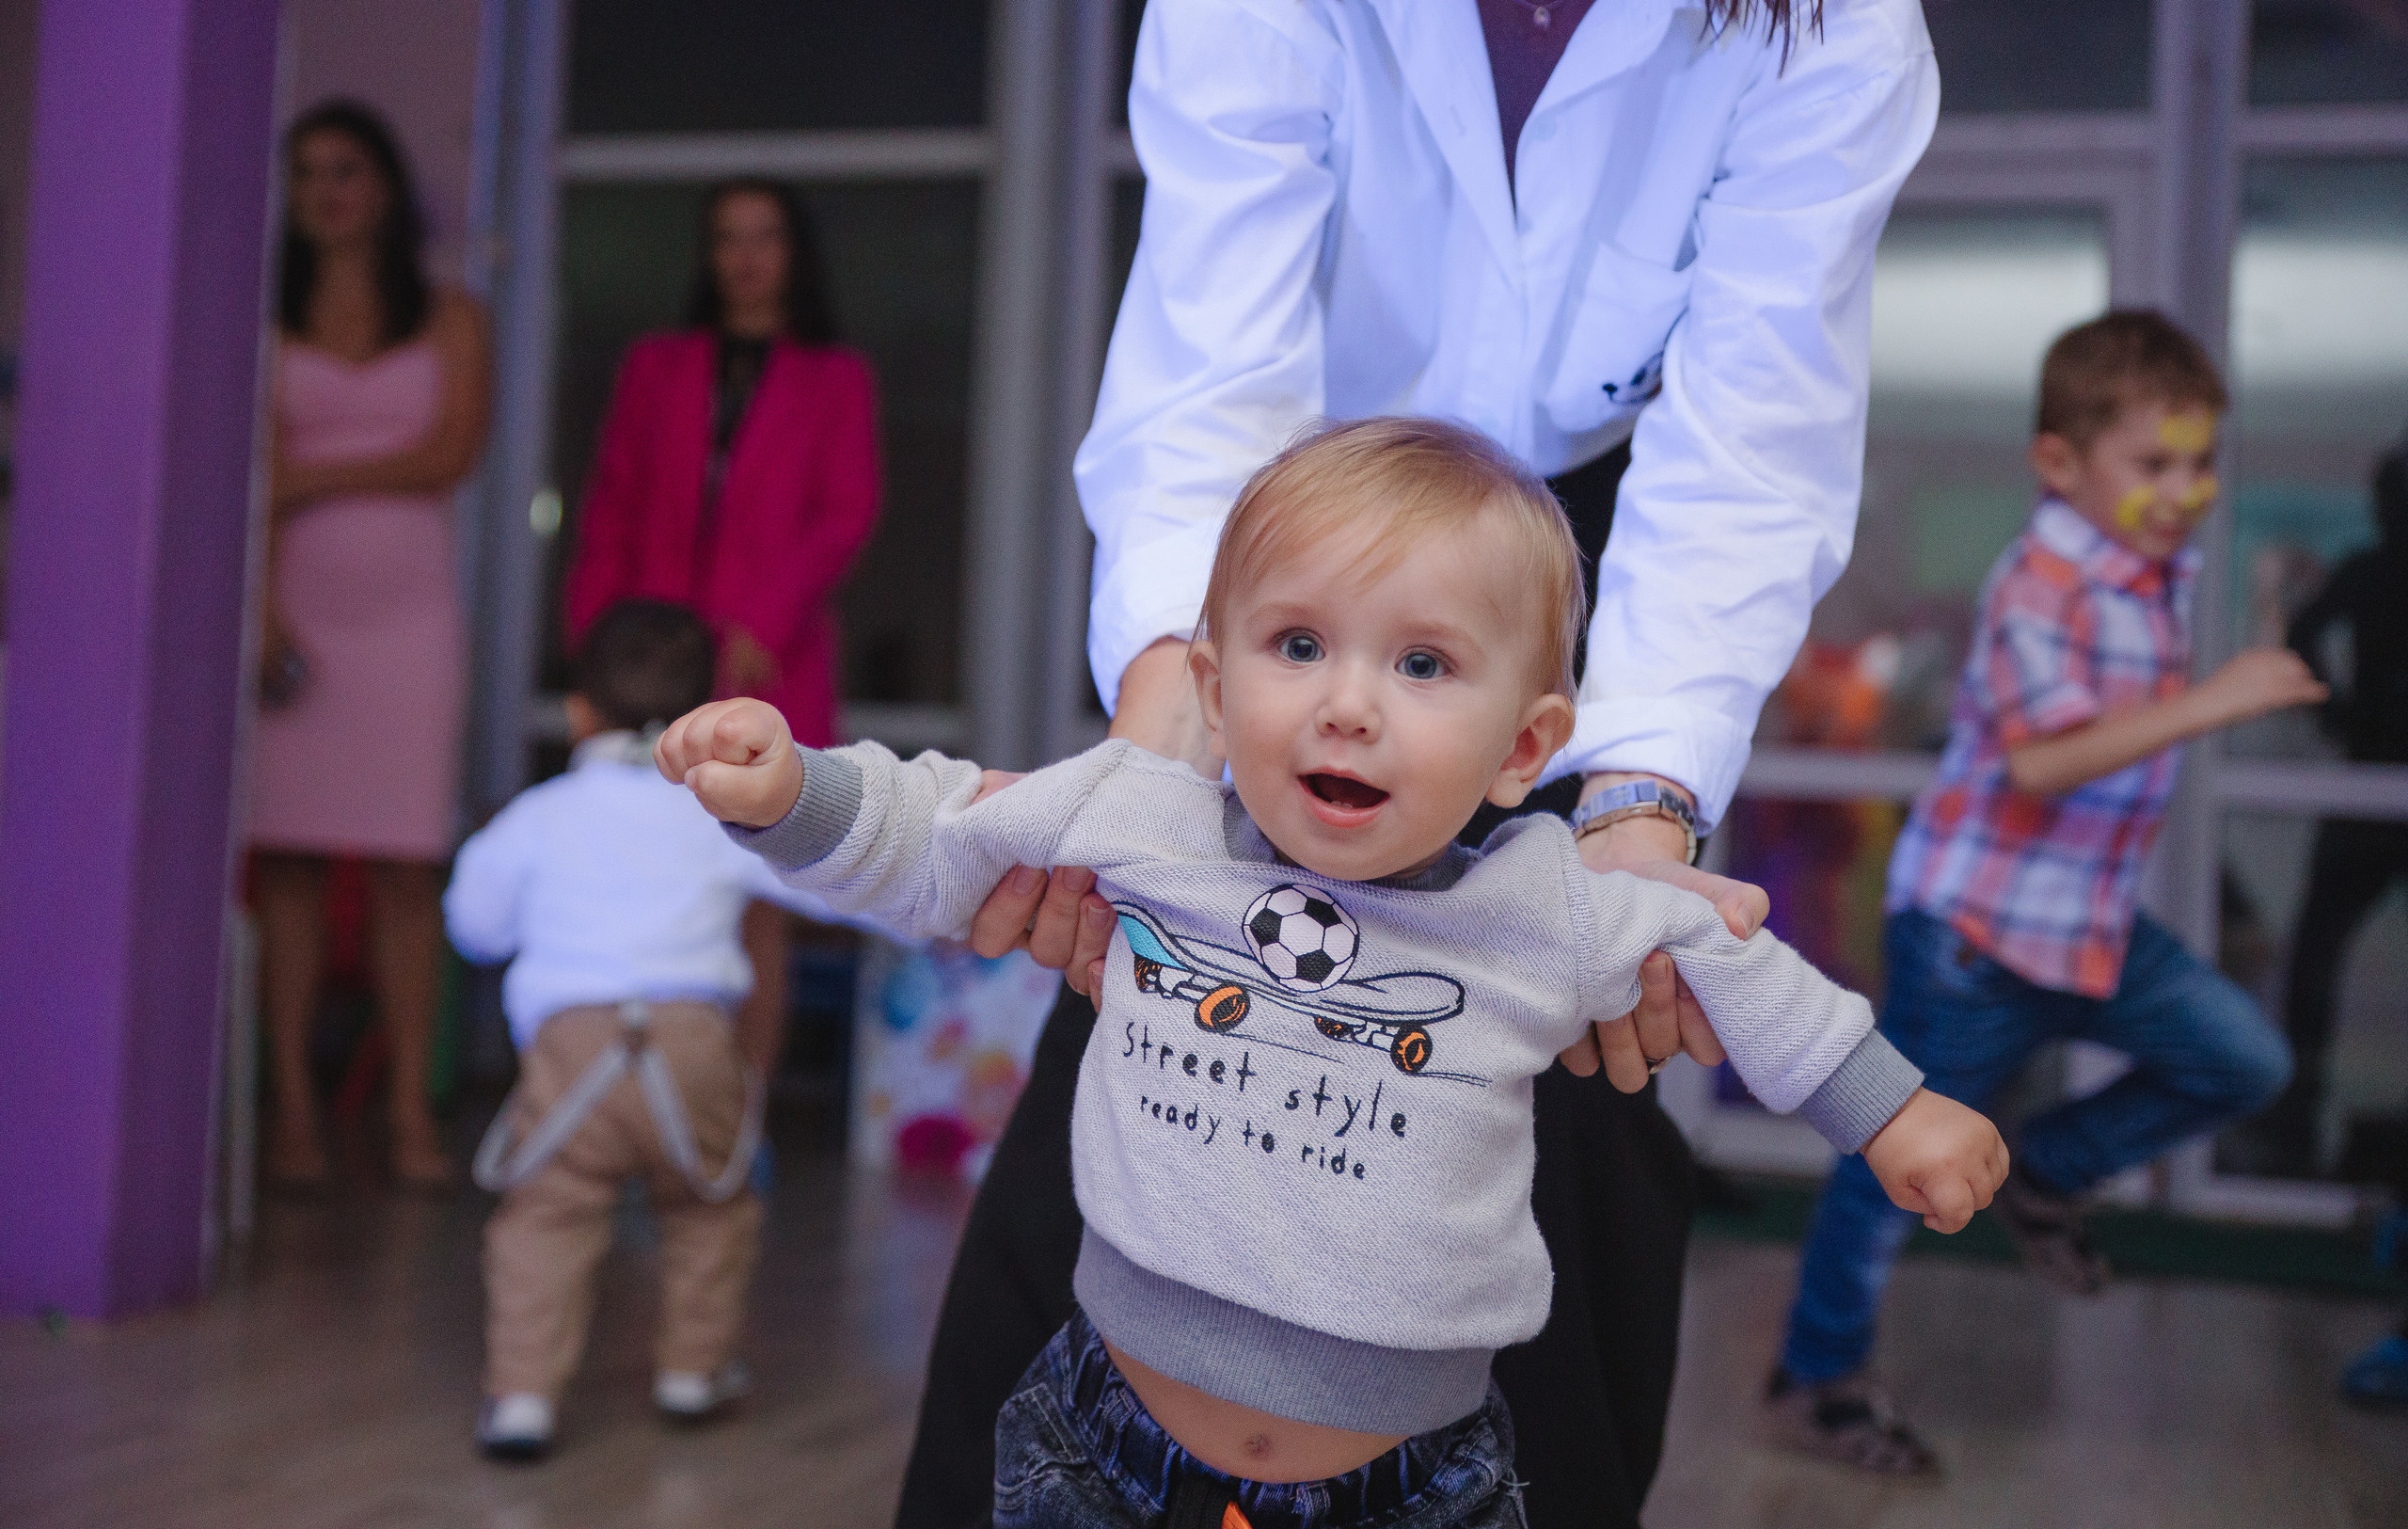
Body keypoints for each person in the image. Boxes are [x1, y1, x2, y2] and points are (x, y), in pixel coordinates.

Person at [905, 2, 1941, 1521]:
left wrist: (1638, 823)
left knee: (1577, 1082)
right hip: (1299, 527)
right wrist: (1165, 741)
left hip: (1593, 559)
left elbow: (1746, 449)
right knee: (1155, 979)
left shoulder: (1832, 26)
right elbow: (1212, 367)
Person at [664, 418, 2007, 1524]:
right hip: (1098, 1448)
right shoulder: (1147, 820)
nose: (1346, 702)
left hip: (1412, 1488)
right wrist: (789, 793)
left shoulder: (1548, 904)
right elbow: (935, 836)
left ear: (1524, 747)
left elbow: (1736, 965)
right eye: (1297, 645)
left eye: (1423, 664)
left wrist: (1891, 1109)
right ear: (1213, 676)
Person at [1769, 311, 2317, 1473]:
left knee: (2243, 1059)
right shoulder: (2043, 579)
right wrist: (2219, 697)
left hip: (2088, 928)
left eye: (2199, 462)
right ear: (2060, 464)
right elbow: (2041, 762)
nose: (2184, 491)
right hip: (1972, 935)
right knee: (1893, 1165)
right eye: (2154, 463)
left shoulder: (2154, 568)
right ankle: (1820, 1379)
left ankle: (2046, 1170)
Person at [445, 600, 819, 1461]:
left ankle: (522, 1398)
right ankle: (692, 1370)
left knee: (546, 1213)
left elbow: (474, 924)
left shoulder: (540, 814)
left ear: (579, 712)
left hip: (570, 1050)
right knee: (710, 1205)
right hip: (692, 1041)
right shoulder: (715, 814)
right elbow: (808, 878)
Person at [562, 177, 881, 1085]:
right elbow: (611, 504)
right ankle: (629, 1107)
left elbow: (844, 515)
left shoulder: (835, 376)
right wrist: (601, 640)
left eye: (764, 237)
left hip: (768, 661)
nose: (745, 257)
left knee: (758, 897)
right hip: (648, 659)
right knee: (639, 881)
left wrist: (760, 624)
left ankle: (735, 1116)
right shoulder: (656, 365)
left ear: (794, 255)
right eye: (726, 238)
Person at [250, 100, 491, 1191]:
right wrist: (257, 614)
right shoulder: (263, 315)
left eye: (344, 170)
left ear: (386, 186)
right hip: (291, 615)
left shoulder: (449, 315)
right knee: (289, 863)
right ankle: (293, 1113)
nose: (324, 193)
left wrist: (308, 477)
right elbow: (247, 476)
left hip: (407, 625)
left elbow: (449, 450)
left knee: (404, 868)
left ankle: (406, 1114)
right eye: (305, 175)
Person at [2251, 435, 2408, 1177]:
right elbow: (2306, 636)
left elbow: (2308, 635)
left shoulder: (2370, 569)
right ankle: (2294, 1120)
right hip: (2367, 783)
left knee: (2317, 955)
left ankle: (2294, 1120)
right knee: (2315, 958)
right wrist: (2339, 714)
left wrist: (2340, 715)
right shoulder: (2369, 571)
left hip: (2370, 776)